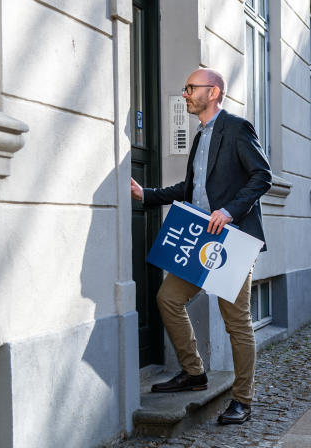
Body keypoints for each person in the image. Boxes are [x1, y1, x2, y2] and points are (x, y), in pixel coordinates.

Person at [130, 68, 272, 424]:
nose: (185, 94)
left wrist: (230, 210)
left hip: (233, 239)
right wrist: (146, 194)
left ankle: (243, 400)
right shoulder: (200, 136)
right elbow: (191, 189)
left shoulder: (236, 128)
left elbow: (262, 176)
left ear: (213, 92)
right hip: (201, 238)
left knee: (236, 322)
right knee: (168, 298)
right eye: (185, 87)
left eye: (191, 88)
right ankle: (194, 373)